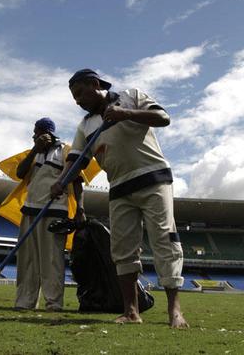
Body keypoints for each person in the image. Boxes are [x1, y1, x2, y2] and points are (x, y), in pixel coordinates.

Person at [51, 69, 188, 329]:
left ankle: (175, 311)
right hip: (119, 187)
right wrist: (61, 182)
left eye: (80, 93)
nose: (77, 101)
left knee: (163, 238)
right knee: (123, 249)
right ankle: (131, 311)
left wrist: (125, 114)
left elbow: (163, 117)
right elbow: (76, 160)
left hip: (153, 178)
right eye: (74, 97)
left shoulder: (130, 96)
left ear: (95, 84)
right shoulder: (85, 125)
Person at [14, 117, 84, 311]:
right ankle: (25, 302)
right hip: (29, 210)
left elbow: (77, 182)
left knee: (52, 259)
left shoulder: (65, 151)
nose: (34, 136)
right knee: (27, 259)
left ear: (48, 133)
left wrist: (80, 209)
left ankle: (53, 303)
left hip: (54, 211)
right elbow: (20, 173)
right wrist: (35, 149)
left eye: (37, 132)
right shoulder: (32, 153)